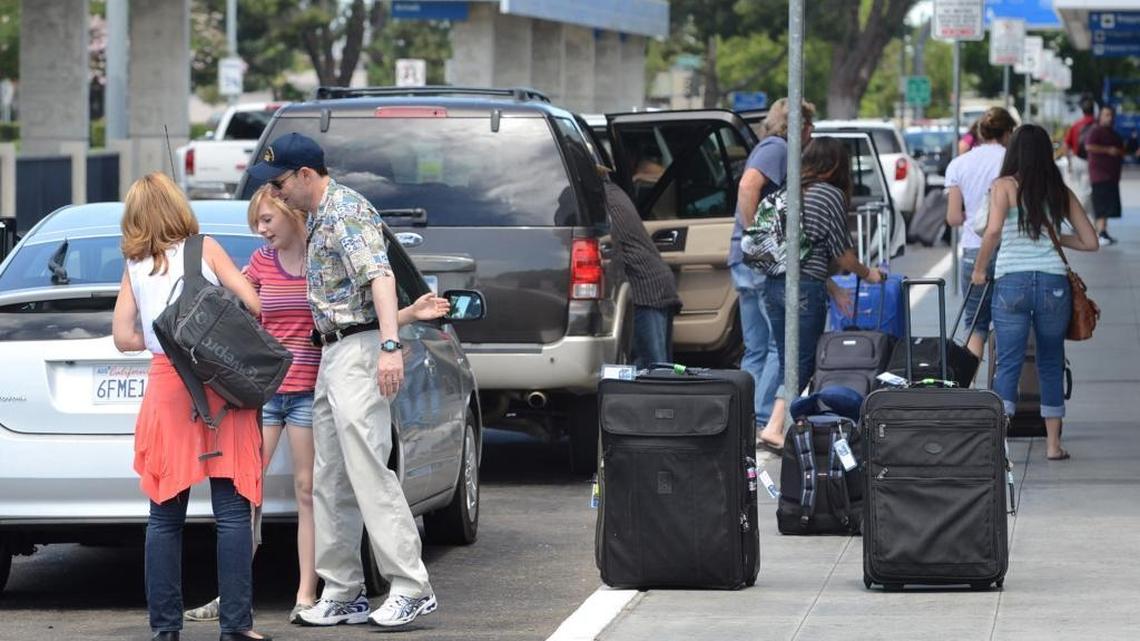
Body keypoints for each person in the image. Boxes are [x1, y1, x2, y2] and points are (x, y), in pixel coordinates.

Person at [248, 132, 441, 629]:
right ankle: (342, 590)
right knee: (332, 475)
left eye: (280, 182)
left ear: (305, 175)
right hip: (332, 351)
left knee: (368, 468)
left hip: (358, 349)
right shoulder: (318, 217)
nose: (276, 193)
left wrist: (391, 346)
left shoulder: (345, 212)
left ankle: (410, 585)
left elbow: (379, 276)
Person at [111, 172, 270, 641]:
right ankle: (236, 626)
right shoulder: (205, 248)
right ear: (177, 207)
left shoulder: (134, 264)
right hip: (219, 383)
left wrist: (162, 339)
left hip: (167, 386)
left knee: (164, 515)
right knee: (233, 511)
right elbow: (253, 305)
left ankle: (165, 630)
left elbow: (123, 337)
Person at [972, 124, 1099, 461]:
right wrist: (1057, 239)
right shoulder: (1060, 192)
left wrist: (979, 268)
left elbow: (994, 230)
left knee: (1008, 363)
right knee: (1050, 362)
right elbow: (1091, 241)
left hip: (1012, 282)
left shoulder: (1003, 187)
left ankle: (999, 446)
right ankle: (1053, 445)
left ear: (1014, 151)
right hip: (1053, 285)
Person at [756, 137, 884, 451]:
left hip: (773, 286)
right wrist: (871, 274)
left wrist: (833, 288)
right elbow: (841, 254)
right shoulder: (829, 194)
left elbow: (795, 256)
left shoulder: (785, 192)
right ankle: (774, 426)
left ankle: (785, 422)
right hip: (803, 290)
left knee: (788, 355)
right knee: (800, 361)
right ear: (835, 165)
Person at [728, 97, 814, 429]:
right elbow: (748, 186)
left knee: (757, 348)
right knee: (782, 346)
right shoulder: (777, 148)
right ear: (802, 127)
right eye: (811, 129)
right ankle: (764, 418)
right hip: (759, 262)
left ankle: (742, 420)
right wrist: (758, 237)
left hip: (745, 259)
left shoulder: (768, 146)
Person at [944, 107, 1017, 359]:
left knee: (975, 325)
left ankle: (971, 389)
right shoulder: (1012, 161)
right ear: (1008, 132)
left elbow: (953, 218)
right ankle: (1003, 388)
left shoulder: (959, 164)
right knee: (1009, 324)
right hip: (1010, 250)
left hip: (974, 252)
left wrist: (974, 216)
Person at [599, 165, 681, 368]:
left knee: (651, 367)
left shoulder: (601, 200)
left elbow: (612, 250)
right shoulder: (614, 192)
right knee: (661, 365)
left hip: (644, 288)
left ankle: (659, 400)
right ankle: (666, 399)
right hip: (656, 282)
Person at [1084, 105, 1128, 245]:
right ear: (1100, 116)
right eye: (1106, 115)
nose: (1109, 118)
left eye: (1111, 115)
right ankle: (1100, 233)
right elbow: (1089, 146)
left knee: (1108, 206)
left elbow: (1122, 150)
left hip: (1112, 175)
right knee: (1101, 206)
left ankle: (1103, 231)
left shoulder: (1113, 134)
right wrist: (1108, 150)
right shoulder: (1095, 131)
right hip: (1099, 175)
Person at [1062, 97, 1096, 216]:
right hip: (1091, 161)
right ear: (1094, 110)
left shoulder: (1076, 125)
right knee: (1087, 191)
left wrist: (1069, 162)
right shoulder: (1097, 125)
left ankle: (1080, 215)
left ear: (1082, 110)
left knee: (1077, 189)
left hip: (1076, 160)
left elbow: (1066, 145)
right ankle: (1081, 217)